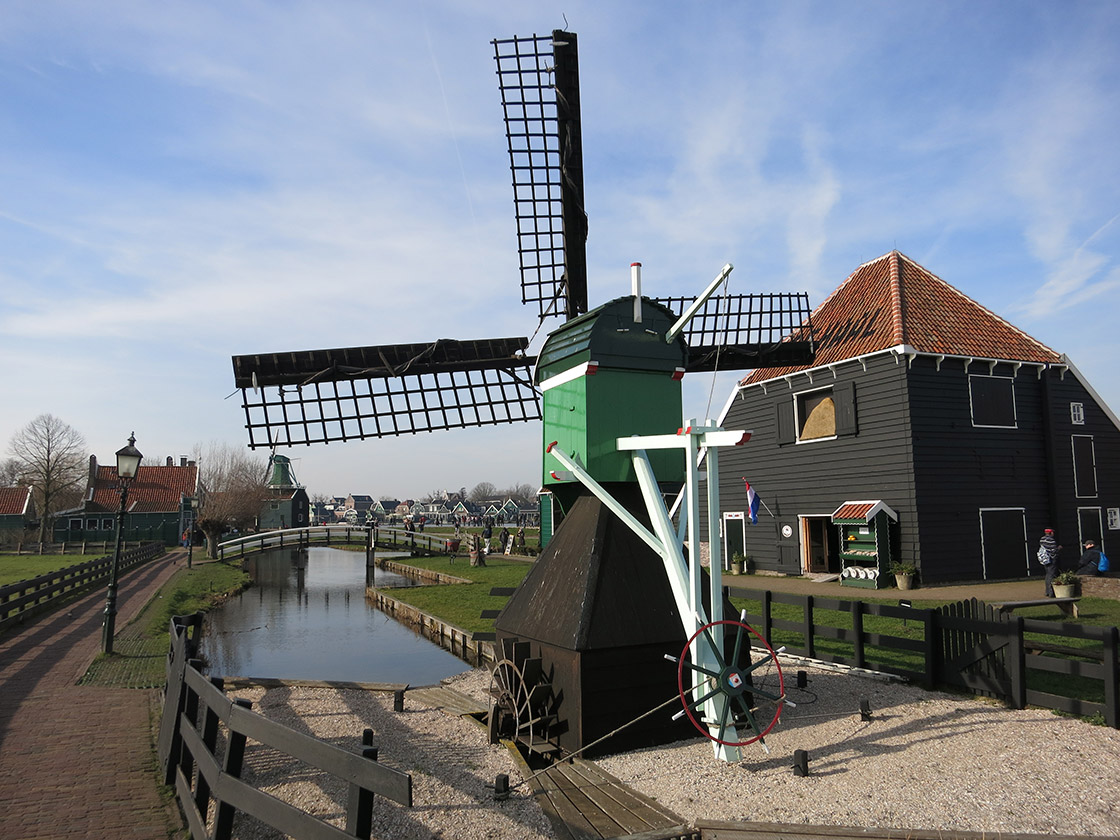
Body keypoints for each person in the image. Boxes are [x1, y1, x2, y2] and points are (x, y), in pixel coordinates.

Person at [1039, 528, 1062, 597]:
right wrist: (1059, 548)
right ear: (1050, 533)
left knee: (1048, 575)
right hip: (1051, 559)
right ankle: (1051, 593)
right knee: (1052, 575)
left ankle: (1047, 591)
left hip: (1045, 560)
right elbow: (1053, 550)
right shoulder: (1051, 540)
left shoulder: (1042, 539)